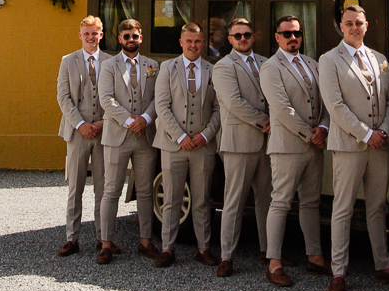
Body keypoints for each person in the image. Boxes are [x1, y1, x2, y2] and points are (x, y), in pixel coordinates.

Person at [317, 3, 389, 291]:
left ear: (367, 26)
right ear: (341, 27)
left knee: (377, 206)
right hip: (350, 146)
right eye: (349, 23)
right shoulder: (329, 60)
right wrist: (366, 134)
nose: (355, 27)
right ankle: (338, 271)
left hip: (381, 145)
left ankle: (383, 266)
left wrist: (385, 131)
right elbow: (335, 106)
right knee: (343, 208)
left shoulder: (379, 59)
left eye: (359, 23)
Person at [259, 14, 328, 286]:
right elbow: (281, 108)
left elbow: (324, 103)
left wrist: (322, 128)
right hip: (288, 146)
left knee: (311, 202)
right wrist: (307, 134)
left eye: (297, 33)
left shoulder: (312, 64)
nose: (292, 38)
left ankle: (315, 257)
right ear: (277, 37)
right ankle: (274, 262)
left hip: (314, 144)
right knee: (281, 202)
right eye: (286, 34)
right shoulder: (270, 67)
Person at [153, 21, 221, 267]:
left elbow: (218, 108)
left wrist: (205, 135)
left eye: (198, 41)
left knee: (202, 200)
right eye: (189, 41)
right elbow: (162, 106)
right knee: (171, 199)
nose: (193, 45)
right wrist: (180, 137)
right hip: (173, 145)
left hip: (203, 145)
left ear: (204, 43)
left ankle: (203, 248)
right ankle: (168, 249)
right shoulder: (167, 68)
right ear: (181, 43)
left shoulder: (212, 69)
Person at [210, 17, 274, 276]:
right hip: (239, 142)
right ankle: (227, 256)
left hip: (267, 143)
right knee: (233, 201)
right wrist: (264, 121)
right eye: (238, 35)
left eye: (247, 34)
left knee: (267, 200)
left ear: (253, 36)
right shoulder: (224, 66)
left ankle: (269, 252)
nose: (243, 39)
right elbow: (233, 102)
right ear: (230, 40)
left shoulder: (266, 63)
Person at [98, 19, 161, 265]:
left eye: (134, 35)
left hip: (145, 136)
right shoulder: (108, 65)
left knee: (145, 191)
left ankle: (145, 241)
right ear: (119, 39)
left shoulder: (152, 65)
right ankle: (105, 243)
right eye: (126, 36)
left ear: (141, 38)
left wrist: (145, 118)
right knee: (111, 190)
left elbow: (159, 98)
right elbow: (106, 98)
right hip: (117, 135)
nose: (130, 40)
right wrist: (128, 120)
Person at [53, 16, 108, 258]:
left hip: (104, 132)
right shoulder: (68, 61)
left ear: (101, 35)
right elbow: (63, 97)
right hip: (77, 132)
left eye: (94, 33)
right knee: (75, 187)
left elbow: (116, 95)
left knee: (103, 187)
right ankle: (71, 238)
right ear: (80, 35)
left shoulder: (111, 61)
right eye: (86, 33)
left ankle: (102, 238)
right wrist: (81, 124)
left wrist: (104, 122)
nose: (90, 37)